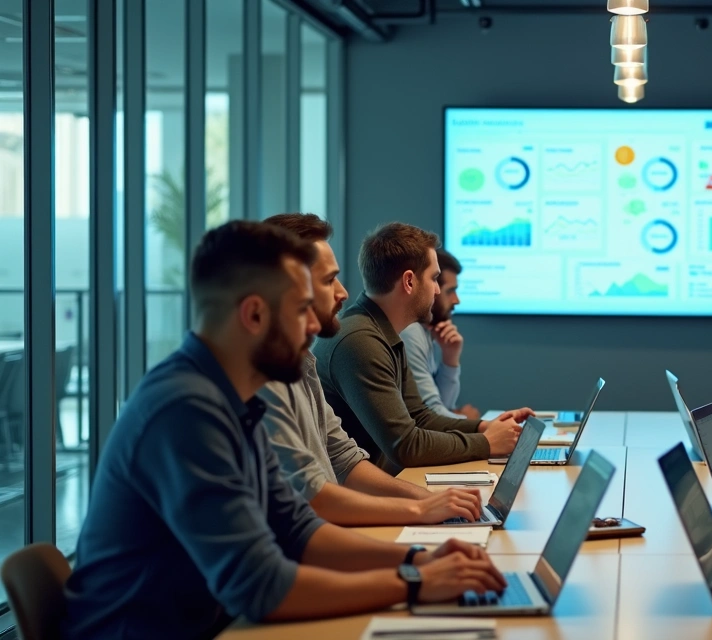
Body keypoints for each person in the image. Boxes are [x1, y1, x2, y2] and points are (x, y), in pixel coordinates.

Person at [62, 221, 505, 639]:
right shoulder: (185, 410)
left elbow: (296, 528)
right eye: (300, 310)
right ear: (254, 315)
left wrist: (419, 559)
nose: (316, 325)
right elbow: (260, 586)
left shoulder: (236, 397)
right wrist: (414, 581)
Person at [258, 213, 483, 525]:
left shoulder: (299, 365)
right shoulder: (355, 340)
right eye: (327, 281)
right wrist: (420, 510)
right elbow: (315, 497)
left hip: (335, 525)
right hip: (325, 534)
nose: (343, 292)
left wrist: (430, 501)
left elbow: (345, 460)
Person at [313, 222, 530, 472]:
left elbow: (421, 417)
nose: (438, 290)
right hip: (359, 500)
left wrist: (485, 427)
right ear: (409, 281)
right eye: (434, 278)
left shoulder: (383, 331)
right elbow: (405, 445)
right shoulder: (361, 340)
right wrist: (486, 443)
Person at [401, 248, 480, 420]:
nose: (456, 300)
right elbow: (430, 416)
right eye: (450, 291)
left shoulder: (424, 331)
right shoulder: (410, 331)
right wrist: (477, 425)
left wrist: (450, 358)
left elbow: (443, 404)